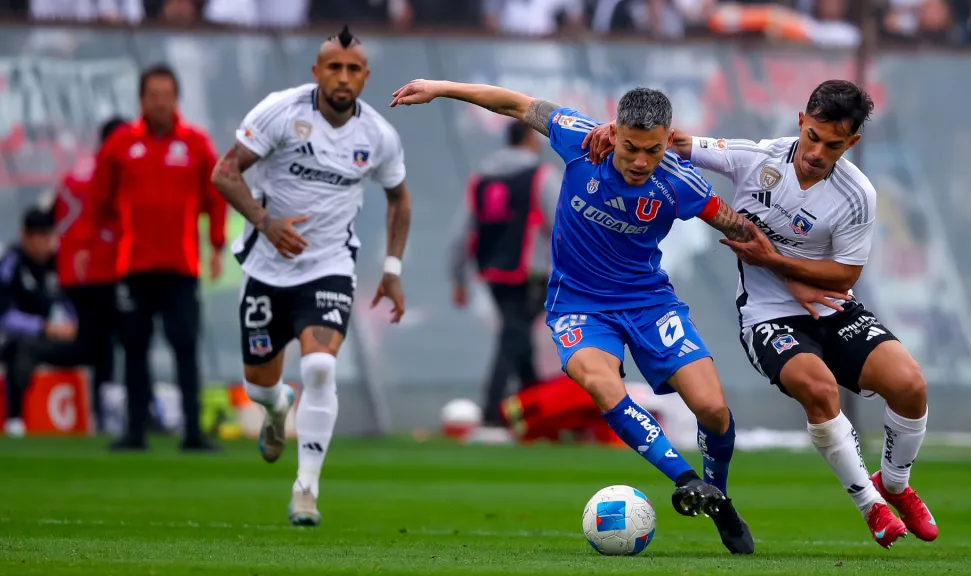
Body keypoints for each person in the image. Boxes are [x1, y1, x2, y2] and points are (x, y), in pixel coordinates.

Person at [390, 78, 847, 555]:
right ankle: (686, 479)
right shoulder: (581, 139)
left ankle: (719, 500)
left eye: (652, 150)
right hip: (579, 304)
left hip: (650, 303)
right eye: (630, 147)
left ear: (668, 140)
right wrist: (438, 88)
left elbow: (740, 228)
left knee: (712, 409)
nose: (639, 161)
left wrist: (792, 277)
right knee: (603, 385)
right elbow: (515, 103)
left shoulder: (682, 183)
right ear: (616, 132)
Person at [584, 79, 936, 549]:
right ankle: (871, 504)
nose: (817, 151)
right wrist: (614, 128)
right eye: (812, 136)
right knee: (819, 389)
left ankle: (894, 483)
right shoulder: (757, 157)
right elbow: (676, 141)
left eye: (833, 145)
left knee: (910, 386)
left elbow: (845, 274)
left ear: (851, 143)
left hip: (831, 305)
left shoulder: (858, 194)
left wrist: (775, 261)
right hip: (769, 317)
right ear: (801, 122)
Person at [211, 26, 412, 527]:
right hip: (265, 267)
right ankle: (277, 411)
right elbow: (223, 172)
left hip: (329, 266)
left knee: (321, 368)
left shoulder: (378, 136)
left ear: (365, 77)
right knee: (260, 385)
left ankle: (306, 489)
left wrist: (391, 269)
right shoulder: (281, 112)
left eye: (353, 69)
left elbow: (398, 199)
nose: (343, 78)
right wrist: (265, 223)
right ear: (316, 72)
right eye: (333, 68)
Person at [90, 64, 227, 452]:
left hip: (181, 266)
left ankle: (193, 433)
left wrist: (216, 247)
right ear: (141, 99)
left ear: (176, 98)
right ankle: (135, 431)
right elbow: (98, 201)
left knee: (186, 346)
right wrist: (102, 244)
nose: (161, 102)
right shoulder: (121, 145)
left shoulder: (196, 144)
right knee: (134, 347)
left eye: (167, 95)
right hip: (133, 266)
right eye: (153, 95)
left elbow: (215, 197)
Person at [451, 120, 559, 439]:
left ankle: (535, 406)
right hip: (533, 272)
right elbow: (562, 227)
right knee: (515, 333)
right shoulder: (542, 176)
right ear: (529, 139)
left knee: (517, 332)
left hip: (492, 274)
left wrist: (457, 278)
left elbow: (460, 234)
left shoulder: (481, 179)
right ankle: (491, 412)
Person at [53, 116, 126, 432]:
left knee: (97, 345)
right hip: (103, 270)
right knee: (113, 344)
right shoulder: (112, 174)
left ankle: (102, 411)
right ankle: (110, 412)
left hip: (73, 273)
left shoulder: (74, 174)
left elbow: (60, 218)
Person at [0, 206, 79, 437]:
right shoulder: (11, 263)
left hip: (56, 338)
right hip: (20, 338)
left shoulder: (59, 262)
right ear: (26, 236)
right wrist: (42, 326)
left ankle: (102, 411)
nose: (47, 243)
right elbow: (4, 314)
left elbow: (69, 300)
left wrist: (72, 324)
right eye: (41, 237)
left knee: (97, 341)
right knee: (20, 348)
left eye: (50, 236)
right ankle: (15, 420)